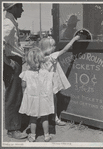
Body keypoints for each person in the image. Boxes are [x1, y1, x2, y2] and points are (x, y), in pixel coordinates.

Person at [38, 35, 80, 125]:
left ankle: (44, 119)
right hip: (51, 83)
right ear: (48, 48)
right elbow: (65, 50)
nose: (55, 47)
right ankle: (55, 118)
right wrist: (73, 39)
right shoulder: (52, 56)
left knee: (45, 101)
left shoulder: (40, 58)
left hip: (43, 83)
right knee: (54, 101)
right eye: (53, 46)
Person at [19, 48, 55, 142]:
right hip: (43, 98)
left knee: (33, 118)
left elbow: (23, 86)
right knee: (45, 117)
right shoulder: (45, 72)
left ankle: (33, 135)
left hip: (32, 99)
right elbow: (51, 84)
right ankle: (46, 135)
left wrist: (24, 96)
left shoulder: (26, 73)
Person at [3, 3, 27, 139]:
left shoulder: (11, 22)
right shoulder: (8, 24)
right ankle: (12, 129)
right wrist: (7, 61)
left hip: (14, 59)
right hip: (11, 61)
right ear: (13, 8)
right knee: (13, 95)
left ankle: (16, 123)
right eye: (20, 7)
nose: (22, 10)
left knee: (16, 93)